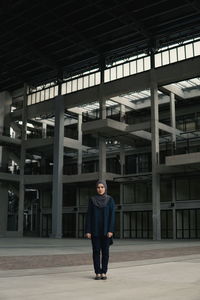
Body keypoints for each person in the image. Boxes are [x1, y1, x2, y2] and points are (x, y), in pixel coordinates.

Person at [85, 180, 115, 280]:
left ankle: (104, 272)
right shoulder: (92, 200)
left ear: (105, 188)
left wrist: (111, 230)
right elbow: (89, 216)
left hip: (106, 231)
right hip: (95, 230)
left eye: (102, 187)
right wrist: (88, 230)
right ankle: (97, 272)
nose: (100, 189)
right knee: (96, 252)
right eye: (98, 187)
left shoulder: (110, 200)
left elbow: (112, 216)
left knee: (105, 253)